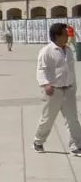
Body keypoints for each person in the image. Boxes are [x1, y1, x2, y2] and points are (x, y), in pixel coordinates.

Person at [32, 22, 81, 155]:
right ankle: (38, 141)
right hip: (53, 91)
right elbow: (41, 70)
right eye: (65, 34)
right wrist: (45, 84)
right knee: (47, 119)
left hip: (68, 90)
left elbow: (71, 70)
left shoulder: (68, 50)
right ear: (57, 36)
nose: (67, 37)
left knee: (72, 120)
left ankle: (76, 146)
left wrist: (73, 86)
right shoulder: (46, 51)